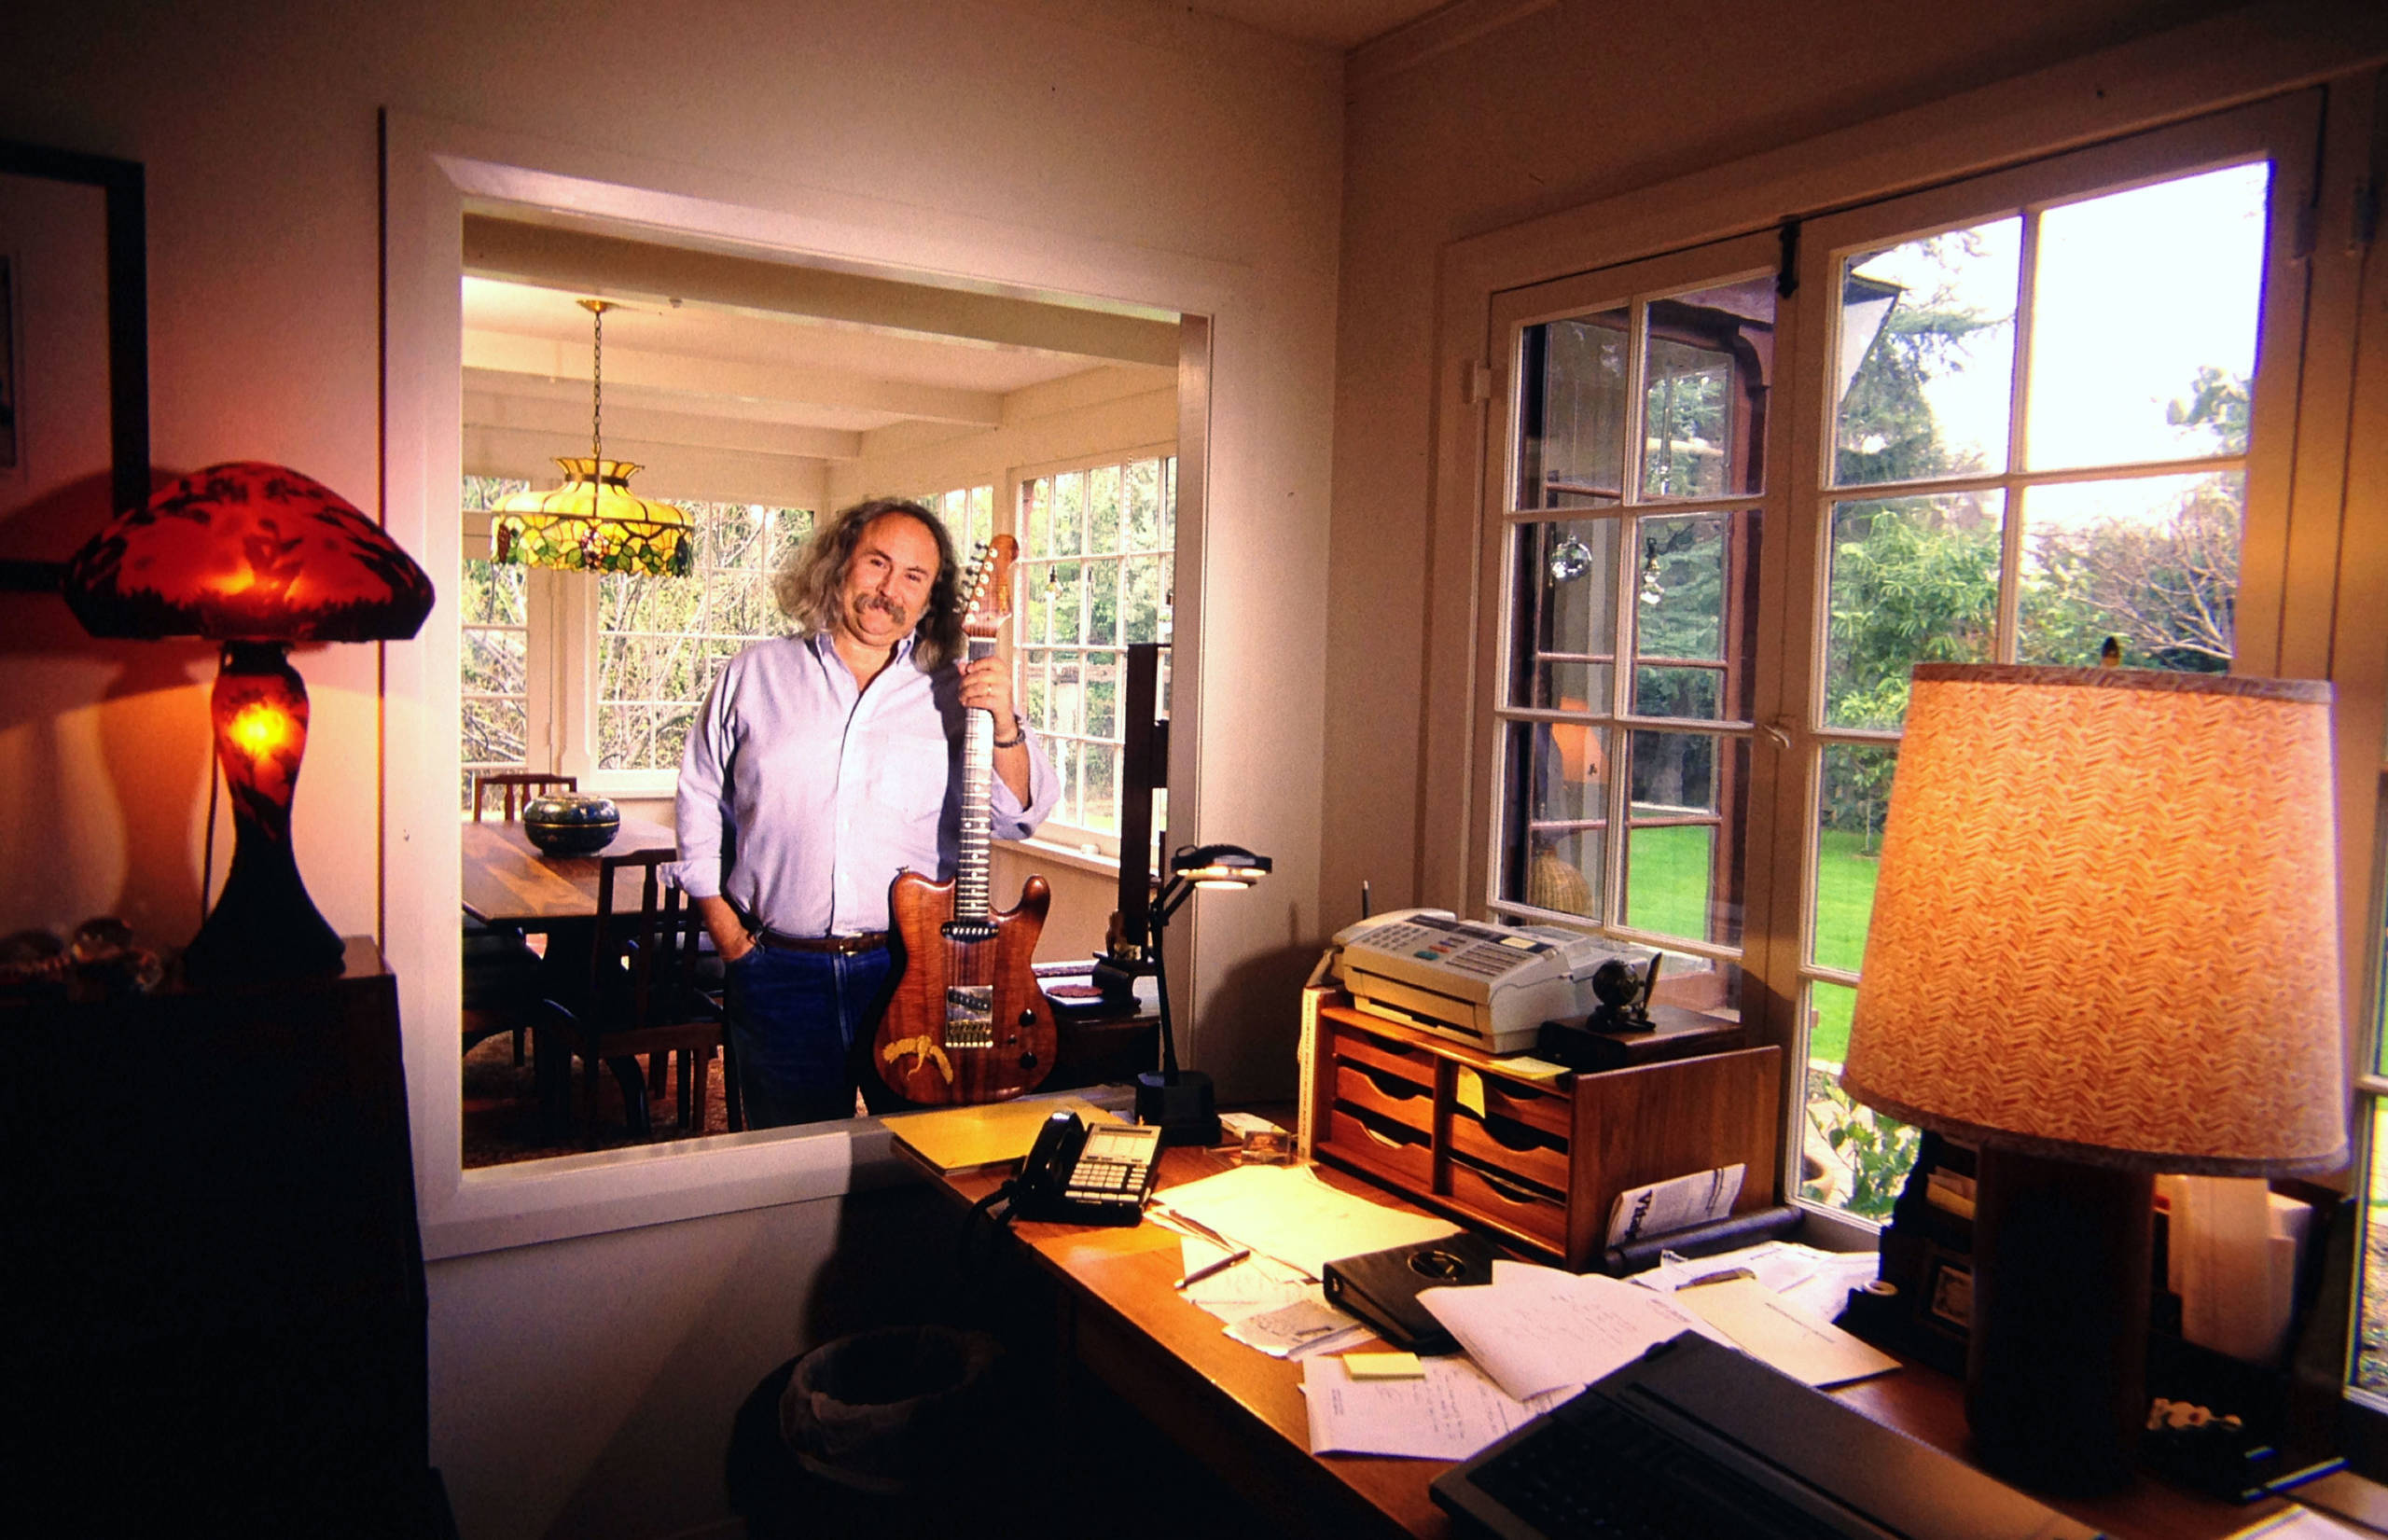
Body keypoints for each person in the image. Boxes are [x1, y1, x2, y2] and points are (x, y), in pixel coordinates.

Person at [673, 497, 1057, 1127]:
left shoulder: (957, 690)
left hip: (913, 968)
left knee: (927, 1158)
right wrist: (728, 934)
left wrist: (1006, 720)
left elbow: (1019, 814)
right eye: (877, 563)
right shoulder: (753, 675)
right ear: (839, 565)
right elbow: (697, 800)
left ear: (933, 596)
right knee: (787, 1171)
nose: (889, 589)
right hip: (778, 970)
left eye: (913, 576)